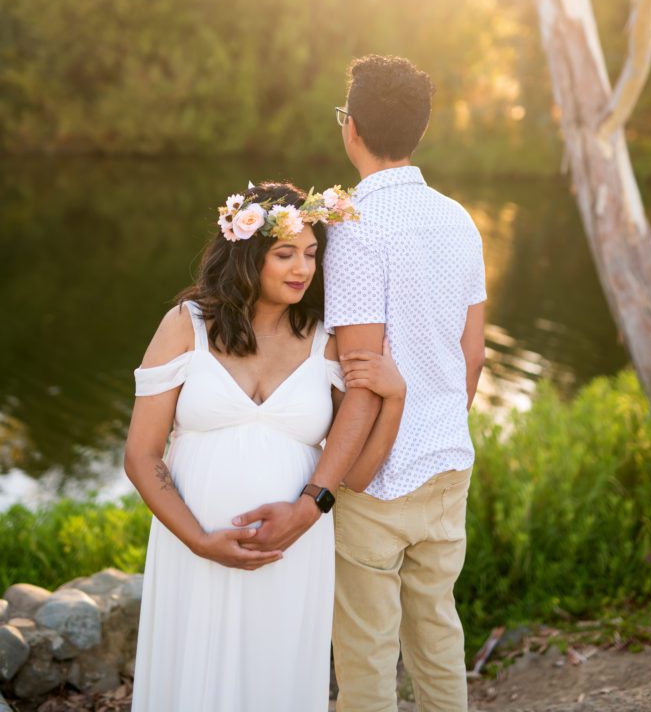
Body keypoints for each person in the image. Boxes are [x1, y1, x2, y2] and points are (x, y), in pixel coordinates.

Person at [124, 181, 406, 712]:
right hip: (194, 549)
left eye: (310, 254)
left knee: (273, 683)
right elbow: (140, 456)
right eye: (285, 254)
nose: (302, 268)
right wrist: (200, 541)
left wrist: (395, 398)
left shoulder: (328, 341)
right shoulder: (187, 326)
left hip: (290, 552)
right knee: (190, 680)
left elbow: (359, 474)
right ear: (249, 254)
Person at [325, 54, 487, 712]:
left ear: (350, 127)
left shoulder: (355, 228)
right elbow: (470, 353)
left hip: (379, 472)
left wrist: (340, 476)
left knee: (365, 654)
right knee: (436, 636)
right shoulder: (460, 219)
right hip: (448, 460)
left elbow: (360, 376)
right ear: (417, 132)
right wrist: (441, 419)